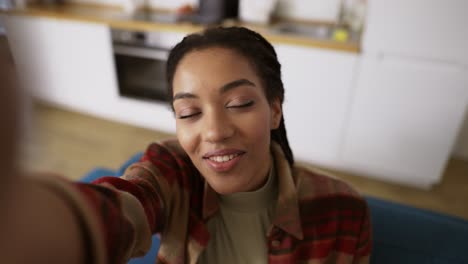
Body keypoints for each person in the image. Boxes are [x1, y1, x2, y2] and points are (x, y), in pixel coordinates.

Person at [0, 26, 371, 263]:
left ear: (275, 110)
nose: (214, 131)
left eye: (239, 104)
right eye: (189, 112)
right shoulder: (172, 173)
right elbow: (127, 205)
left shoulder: (342, 211)